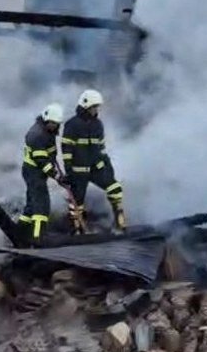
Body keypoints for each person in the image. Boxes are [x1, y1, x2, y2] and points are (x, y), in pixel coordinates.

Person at [62, 90, 126, 233]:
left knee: (115, 188)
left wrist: (107, 168)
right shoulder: (72, 124)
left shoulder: (98, 124)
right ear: (85, 105)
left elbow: (101, 149)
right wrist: (68, 170)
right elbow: (66, 149)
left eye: (97, 107)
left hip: (96, 168)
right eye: (93, 107)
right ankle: (77, 230)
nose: (96, 110)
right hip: (78, 171)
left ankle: (119, 222)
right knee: (77, 202)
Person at [19, 103, 67, 245]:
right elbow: (42, 161)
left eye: (56, 124)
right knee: (42, 205)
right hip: (34, 172)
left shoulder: (47, 132)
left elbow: (49, 154)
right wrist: (56, 176)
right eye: (52, 123)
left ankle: (20, 232)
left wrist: (58, 172)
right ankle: (38, 238)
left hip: (34, 171)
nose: (54, 126)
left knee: (31, 205)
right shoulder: (37, 135)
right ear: (46, 120)